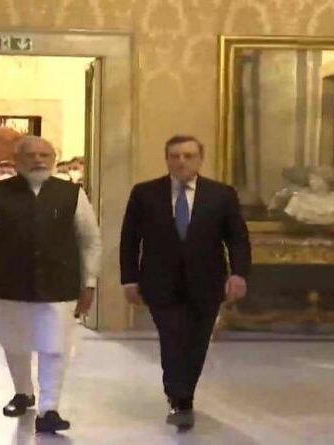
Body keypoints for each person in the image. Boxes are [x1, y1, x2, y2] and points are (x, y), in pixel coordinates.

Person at [0, 136, 101, 433]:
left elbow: (90, 240)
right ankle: (23, 392)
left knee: (55, 346)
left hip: (59, 284)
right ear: (17, 161)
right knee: (14, 342)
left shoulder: (72, 194)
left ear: (54, 159)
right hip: (7, 283)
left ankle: (49, 408)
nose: (38, 160)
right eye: (31, 155)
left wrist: (89, 282)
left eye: (45, 155)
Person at [119, 135, 251, 430]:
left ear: (200, 159)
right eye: (175, 156)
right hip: (160, 282)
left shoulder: (221, 194)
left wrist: (239, 273)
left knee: (197, 341)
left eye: (188, 156)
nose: (181, 161)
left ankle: (183, 392)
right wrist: (129, 278)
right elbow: (130, 239)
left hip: (207, 282)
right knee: (172, 337)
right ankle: (180, 399)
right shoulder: (145, 193)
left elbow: (237, 239)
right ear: (166, 159)